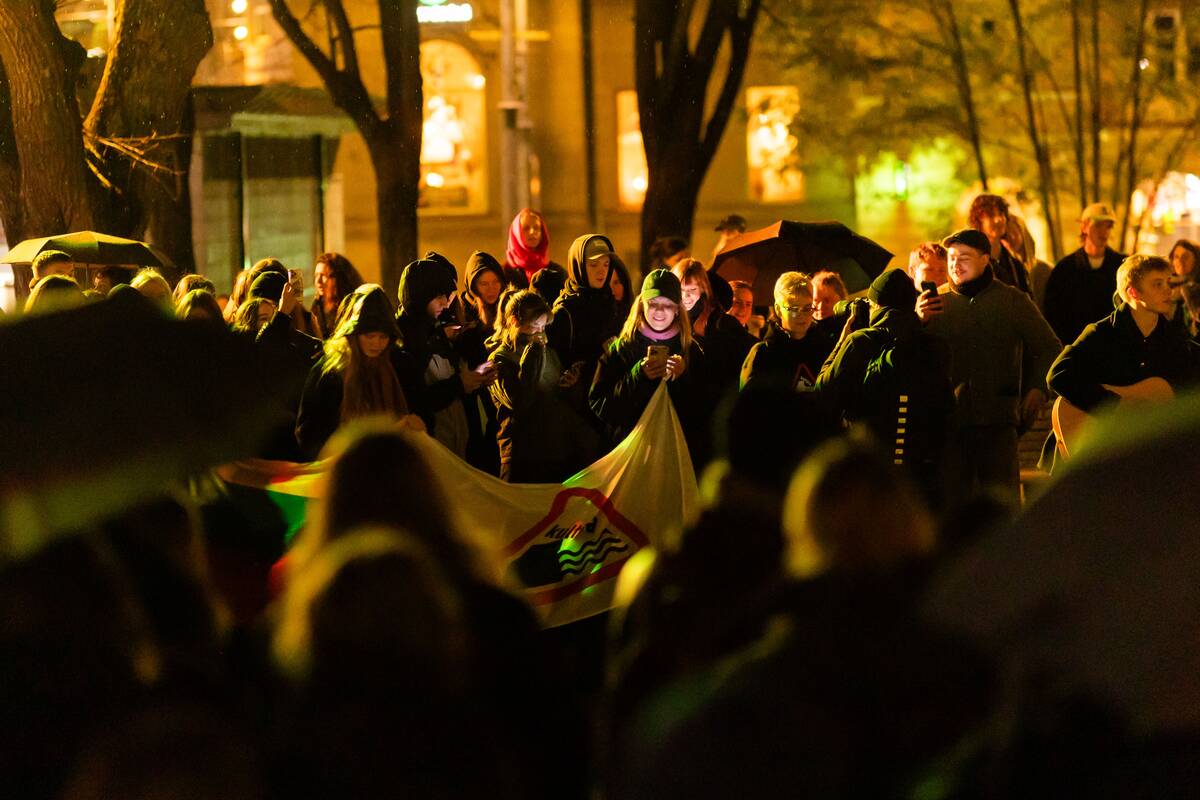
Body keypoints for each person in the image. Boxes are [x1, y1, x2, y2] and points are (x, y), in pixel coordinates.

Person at [917, 228, 1061, 506]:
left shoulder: (1012, 301)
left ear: (985, 260)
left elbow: (1049, 348)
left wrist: (1036, 389)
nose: (955, 265)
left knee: (1002, 505)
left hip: (998, 423)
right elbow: (914, 356)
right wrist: (917, 321)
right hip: (950, 424)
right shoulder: (936, 303)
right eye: (952, 258)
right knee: (955, 506)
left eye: (965, 258)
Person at [814, 269, 952, 502]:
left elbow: (823, 392)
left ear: (876, 305)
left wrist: (841, 342)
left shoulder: (860, 342)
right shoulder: (934, 346)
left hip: (868, 465)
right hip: (918, 467)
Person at [1047, 254, 1199, 421]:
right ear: (1133, 292)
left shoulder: (1174, 339)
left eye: (1168, 283)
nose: (1168, 290)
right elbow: (1058, 374)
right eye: (1157, 284)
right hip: (1101, 440)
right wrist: (1114, 404)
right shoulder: (1102, 333)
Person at [590, 269, 709, 464]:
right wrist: (638, 375)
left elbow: (703, 411)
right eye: (653, 303)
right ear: (641, 305)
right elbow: (601, 405)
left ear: (678, 309)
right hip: (628, 456)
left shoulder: (690, 350)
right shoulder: (621, 349)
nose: (660, 311)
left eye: (668, 305)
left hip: (673, 457)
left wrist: (682, 377)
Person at [295, 285, 418, 460]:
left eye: (383, 337)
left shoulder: (393, 366)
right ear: (354, 334)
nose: (376, 344)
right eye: (370, 336)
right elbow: (309, 433)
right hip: (341, 470)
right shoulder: (331, 372)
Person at [488, 290, 599, 482]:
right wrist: (533, 355)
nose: (540, 333)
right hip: (524, 456)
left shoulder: (548, 352)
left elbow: (556, 398)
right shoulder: (500, 359)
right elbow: (520, 402)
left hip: (556, 450)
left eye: (543, 327)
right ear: (515, 322)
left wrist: (570, 386)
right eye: (535, 326)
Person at [395, 255, 494, 457]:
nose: (446, 303)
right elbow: (416, 400)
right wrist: (459, 384)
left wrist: (473, 380)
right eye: (439, 295)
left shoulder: (433, 331)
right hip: (429, 452)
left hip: (453, 446)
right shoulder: (405, 341)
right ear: (422, 295)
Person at [547, 234, 621, 414]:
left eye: (606, 264)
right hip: (577, 407)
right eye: (593, 265)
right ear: (578, 265)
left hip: (608, 400)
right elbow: (558, 367)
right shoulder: (564, 311)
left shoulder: (608, 301)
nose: (601, 271)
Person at [1043, 202, 1127, 345]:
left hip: (1113, 348)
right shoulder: (1065, 269)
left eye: (1108, 226)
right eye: (1098, 225)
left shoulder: (1122, 266)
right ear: (1084, 226)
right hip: (1076, 349)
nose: (1104, 231)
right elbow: (1053, 315)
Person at [740, 271, 834, 392]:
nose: (802, 315)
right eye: (794, 309)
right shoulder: (763, 355)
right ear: (778, 310)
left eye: (807, 308)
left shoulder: (825, 346)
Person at [672, 258, 754, 391]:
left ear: (703, 288)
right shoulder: (670, 318)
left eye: (692, 289)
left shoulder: (722, 323)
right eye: (681, 290)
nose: (685, 296)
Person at [968, 193, 1031, 295]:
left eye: (1001, 214)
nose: (999, 220)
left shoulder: (1015, 265)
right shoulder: (973, 264)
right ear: (979, 221)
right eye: (991, 215)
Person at [503, 208, 567, 291]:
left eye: (537, 228)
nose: (532, 232)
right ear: (516, 233)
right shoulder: (504, 273)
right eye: (526, 228)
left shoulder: (557, 272)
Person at [310, 252, 364, 339]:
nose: (318, 281)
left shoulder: (353, 306)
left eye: (324, 275)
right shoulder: (318, 304)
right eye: (316, 275)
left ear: (338, 278)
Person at [1005, 213, 1051, 311]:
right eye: (1005, 235)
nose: (1011, 237)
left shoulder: (1044, 270)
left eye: (1014, 232)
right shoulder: (1005, 273)